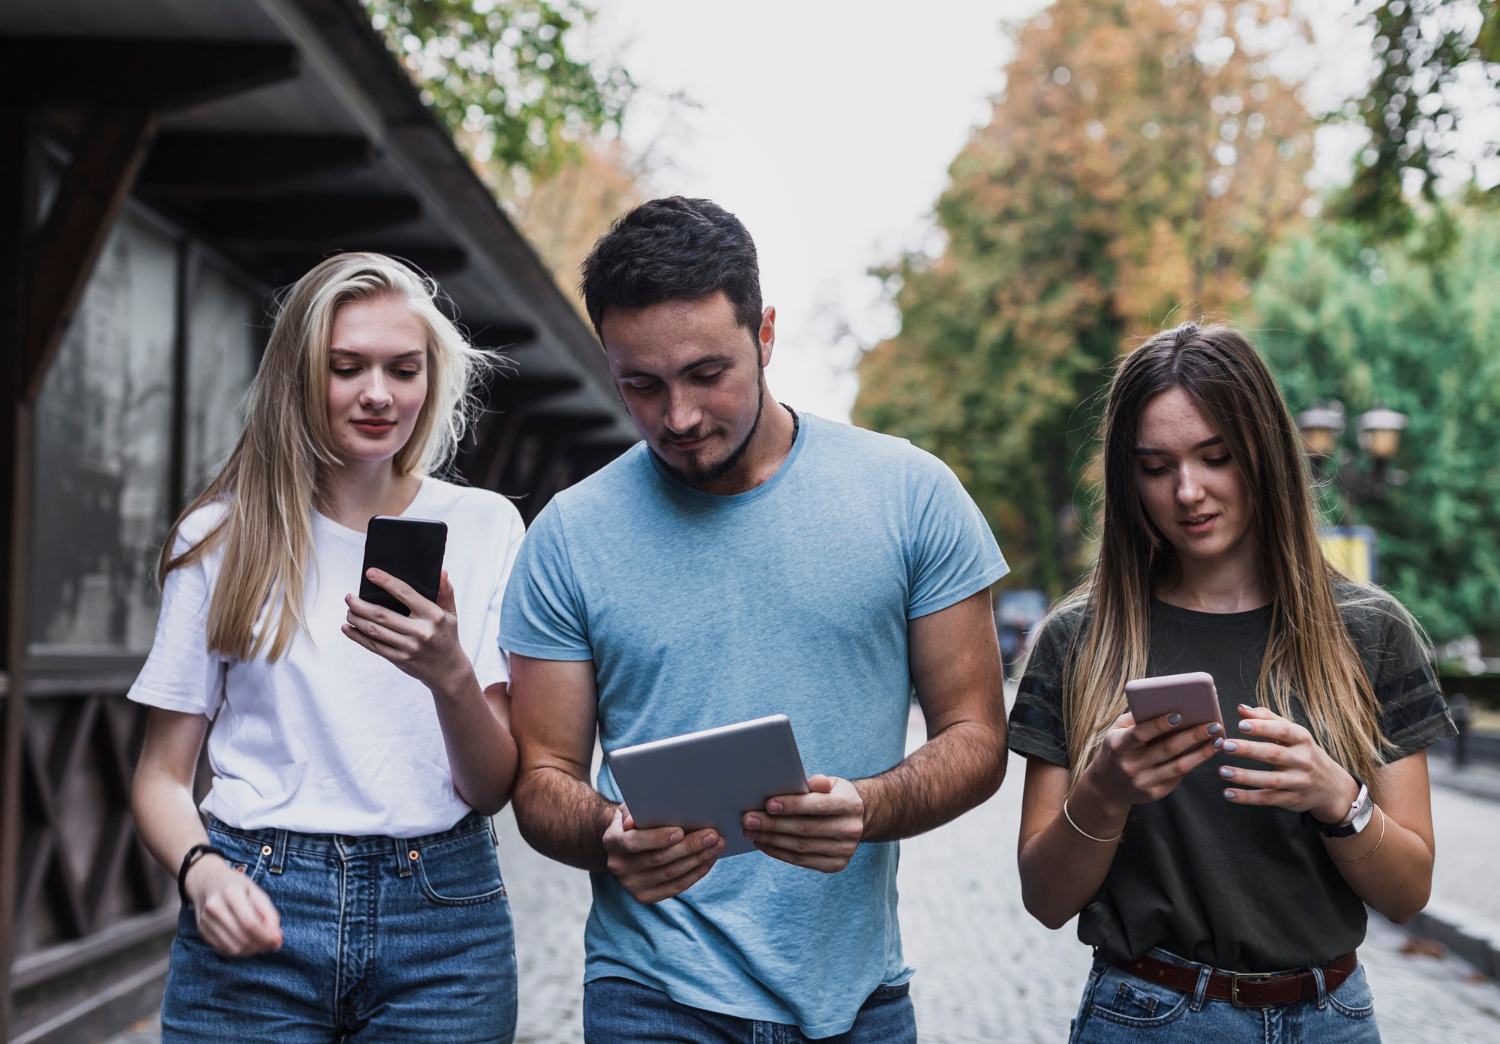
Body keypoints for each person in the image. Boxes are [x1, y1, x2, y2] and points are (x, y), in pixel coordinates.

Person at [500, 196, 1010, 1043]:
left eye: (708, 374)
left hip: (859, 1001)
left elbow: (978, 737)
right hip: (650, 993)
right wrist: (607, 832)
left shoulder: (910, 494)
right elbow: (541, 778)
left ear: (765, 335)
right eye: (641, 385)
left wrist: (869, 806)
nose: (680, 417)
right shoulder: (569, 535)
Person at [1009, 322, 1456, 1043]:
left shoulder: (1371, 632)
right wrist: (1106, 791)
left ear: (1266, 453)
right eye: (1156, 467)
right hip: (1149, 1016)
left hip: (1330, 1018)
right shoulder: (1078, 641)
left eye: (1215, 457)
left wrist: (1336, 797)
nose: (1188, 491)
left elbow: (1408, 893)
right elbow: (1046, 898)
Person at [129, 253, 525, 1043]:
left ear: (431, 378)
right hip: (259, 897)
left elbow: (490, 789)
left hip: (442, 921)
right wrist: (200, 872)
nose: (378, 392)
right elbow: (161, 778)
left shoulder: (486, 527)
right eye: (346, 368)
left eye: (402, 368)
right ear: (300, 377)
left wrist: (449, 675)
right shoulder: (221, 537)